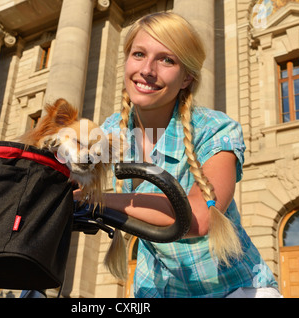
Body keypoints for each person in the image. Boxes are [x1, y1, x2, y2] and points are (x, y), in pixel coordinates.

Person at [92, 12, 282, 298]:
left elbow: (199, 216)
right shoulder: (110, 131)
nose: (147, 69)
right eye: (139, 54)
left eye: (167, 60)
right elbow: (66, 176)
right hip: (156, 289)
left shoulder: (215, 128)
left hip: (233, 288)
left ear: (187, 77)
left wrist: (99, 200)